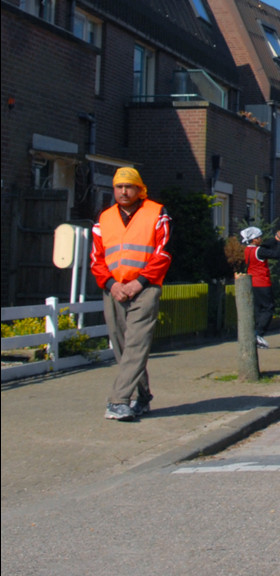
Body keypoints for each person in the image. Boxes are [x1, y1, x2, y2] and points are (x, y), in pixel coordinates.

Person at [89, 167, 172, 421]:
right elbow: (97, 259)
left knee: (136, 344)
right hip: (113, 289)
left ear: (139, 189)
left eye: (129, 186)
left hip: (145, 289)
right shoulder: (103, 218)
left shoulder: (157, 213)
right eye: (119, 187)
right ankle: (143, 397)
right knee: (123, 346)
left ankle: (118, 401)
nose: (124, 191)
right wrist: (112, 285)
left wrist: (139, 283)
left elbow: (163, 253)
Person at [241, 226, 280, 349]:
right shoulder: (259, 251)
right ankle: (259, 334)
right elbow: (276, 254)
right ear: (254, 240)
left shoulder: (248, 250)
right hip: (262, 283)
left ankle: (255, 332)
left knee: (258, 310)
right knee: (268, 308)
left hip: (252, 283)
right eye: (259, 238)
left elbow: (266, 245)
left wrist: (275, 239)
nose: (261, 239)